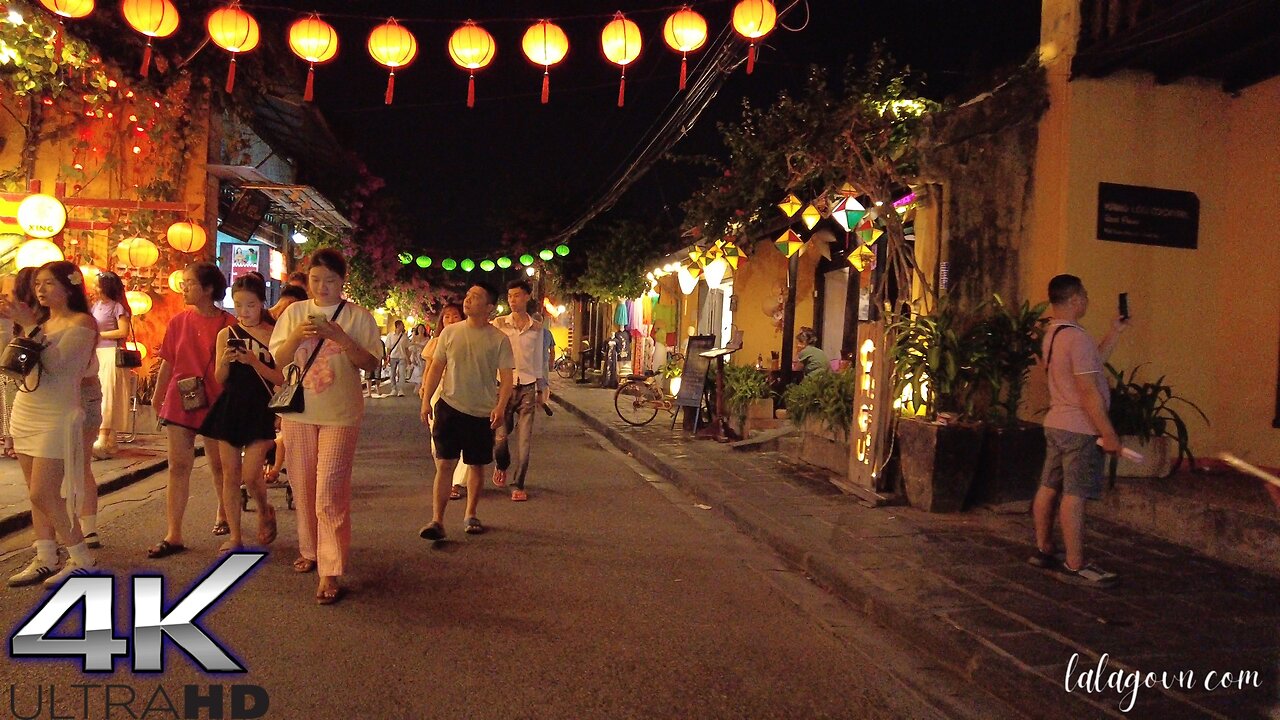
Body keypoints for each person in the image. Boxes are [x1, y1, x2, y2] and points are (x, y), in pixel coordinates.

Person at [269, 249, 382, 605]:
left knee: (330, 491)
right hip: (298, 413)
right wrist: (295, 338)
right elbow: (277, 360)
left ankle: (330, 570)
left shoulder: (359, 317)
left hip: (341, 414)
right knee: (302, 486)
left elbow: (371, 365)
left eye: (330, 280)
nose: (322, 287)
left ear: (342, 281)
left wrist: (341, 338)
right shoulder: (294, 313)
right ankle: (311, 549)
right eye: (316, 280)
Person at [1028, 274, 1128, 587]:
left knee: (1048, 486)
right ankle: (1075, 563)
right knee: (1075, 494)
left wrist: (1114, 332)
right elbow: (1088, 390)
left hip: (1056, 422)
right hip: (1080, 429)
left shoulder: (1053, 334)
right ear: (1074, 300)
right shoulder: (1077, 338)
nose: (1086, 300)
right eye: (1083, 295)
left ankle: (1043, 548)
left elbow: (1092, 366)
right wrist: (1107, 431)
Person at [6, 262, 99, 586]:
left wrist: (31, 328)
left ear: (69, 286)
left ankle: (81, 558)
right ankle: (45, 555)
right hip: (26, 409)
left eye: (48, 283)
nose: (41, 290)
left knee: (43, 492)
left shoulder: (83, 323)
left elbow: (59, 365)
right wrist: (16, 327)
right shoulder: (41, 320)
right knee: (36, 495)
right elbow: (15, 363)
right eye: (38, 284)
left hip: (56, 416)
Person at [146, 262, 237, 559]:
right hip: (181, 397)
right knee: (178, 465)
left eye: (189, 283)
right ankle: (174, 532)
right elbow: (168, 362)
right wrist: (158, 395)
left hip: (216, 399)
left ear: (208, 288)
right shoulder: (178, 322)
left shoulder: (229, 325)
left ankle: (224, 512)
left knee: (219, 465)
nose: (184, 287)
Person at [418, 282, 513, 539]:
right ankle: (437, 520)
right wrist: (426, 400)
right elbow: (436, 367)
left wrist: (500, 406)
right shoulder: (450, 333)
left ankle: (471, 513)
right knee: (444, 464)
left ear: (490, 307)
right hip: (449, 407)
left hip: (481, 413)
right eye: (468, 295)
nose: (468, 300)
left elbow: (506, 379)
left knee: (476, 465)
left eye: (476, 297)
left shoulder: (499, 340)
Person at [200, 274, 285, 553]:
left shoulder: (274, 335)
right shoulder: (227, 334)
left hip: (260, 409)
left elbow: (281, 378)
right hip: (231, 407)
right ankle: (235, 536)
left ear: (262, 303)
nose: (244, 311)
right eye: (238, 305)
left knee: (251, 474)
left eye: (250, 304)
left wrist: (252, 361)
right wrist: (225, 359)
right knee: (230, 475)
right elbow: (220, 378)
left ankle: (264, 509)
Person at [491, 282, 551, 502]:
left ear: (527, 297)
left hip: (527, 386)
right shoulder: (498, 324)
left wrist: (541, 387)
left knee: (525, 440)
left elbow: (539, 359)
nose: (512, 300)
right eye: (509, 296)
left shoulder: (536, 327)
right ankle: (501, 464)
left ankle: (518, 484)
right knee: (500, 437)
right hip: (502, 387)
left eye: (517, 295)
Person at [419, 303, 469, 500]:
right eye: (447, 316)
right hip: (438, 392)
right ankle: (445, 475)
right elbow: (430, 368)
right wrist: (425, 390)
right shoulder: (435, 342)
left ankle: (457, 482)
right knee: (438, 436)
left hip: (463, 390)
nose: (450, 320)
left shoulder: (468, 339)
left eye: (455, 316)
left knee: (465, 437)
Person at [89, 271, 132, 459]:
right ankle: (110, 439)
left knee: (108, 394)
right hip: (97, 353)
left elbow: (123, 331)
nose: (94, 288)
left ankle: (103, 437)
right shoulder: (95, 306)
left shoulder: (117, 307)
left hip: (110, 353)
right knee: (101, 394)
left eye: (97, 285)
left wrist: (100, 335)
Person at [377, 319, 409, 398]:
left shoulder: (404, 336)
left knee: (402, 374)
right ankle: (393, 388)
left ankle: (400, 389)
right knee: (392, 373)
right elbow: (388, 347)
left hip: (402, 357)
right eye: (402, 325)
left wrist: (408, 359)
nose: (403, 326)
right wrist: (387, 358)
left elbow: (406, 348)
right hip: (393, 357)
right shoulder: (390, 335)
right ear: (397, 326)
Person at [406, 324, 428, 388]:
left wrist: (417, 345)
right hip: (416, 357)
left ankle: (421, 386)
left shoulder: (427, 338)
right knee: (418, 371)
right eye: (419, 329)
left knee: (423, 371)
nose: (421, 330)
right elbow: (411, 347)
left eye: (422, 329)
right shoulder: (414, 337)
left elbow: (426, 347)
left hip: (423, 356)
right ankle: (418, 385)